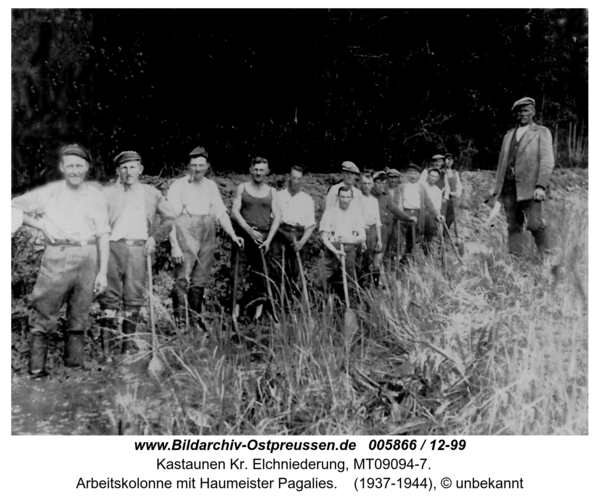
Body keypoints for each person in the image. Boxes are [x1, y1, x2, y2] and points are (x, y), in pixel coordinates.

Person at [11, 144, 110, 376]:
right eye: (70, 166)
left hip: (88, 257)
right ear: (61, 167)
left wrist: (102, 271)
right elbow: (12, 206)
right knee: (45, 315)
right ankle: (37, 373)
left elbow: (103, 233)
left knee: (79, 316)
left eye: (79, 166)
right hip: (57, 257)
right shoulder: (49, 192)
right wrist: (40, 225)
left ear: (86, 167)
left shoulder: (96, 196)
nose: (75, 171)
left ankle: (73, 368)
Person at [98, 151, 175, 353]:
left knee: (133, 299)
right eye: (124, 167)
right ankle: (106, 352)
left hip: (138, 250)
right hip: (112, 249)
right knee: (109, 298)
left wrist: (154, 237)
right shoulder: (107, 193)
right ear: (117, 171)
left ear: (140, 169)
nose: (128, 171)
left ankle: (126, 349)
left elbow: (169, 218)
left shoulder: (151, 193)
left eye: (133, 167)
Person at [168, 147, 243, 328]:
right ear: (188, 166)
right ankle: (180, 323)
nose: (197, 169)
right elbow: (169, 218)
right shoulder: (178, 186)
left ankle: (195, 320)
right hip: (186, 233)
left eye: (201, 165)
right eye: (194, 165)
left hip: (207, 234)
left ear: (207, 166)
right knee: (182, 278)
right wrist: (174, 245)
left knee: (200, 280)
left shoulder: (210, 186)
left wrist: (233, 235)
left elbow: (221, 213)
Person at [489, 97, 555, 256]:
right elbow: (501, 165)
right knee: (513, 225)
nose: (522, 114)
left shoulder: (541, 132)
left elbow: (547, 161)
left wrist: (541, 186)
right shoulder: (508, 135)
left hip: (531, 187)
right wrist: (496, 189)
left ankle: (547, 255)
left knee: (534, 223)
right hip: (509, 188)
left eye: (525, 111)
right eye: (519, 112)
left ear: (533, 112)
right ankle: (515, 259)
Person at [231, 156, 281, 320]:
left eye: (262, 170)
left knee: (262, 275)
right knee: (238, 273)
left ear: (267, 172)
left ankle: (258, 315)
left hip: (264, 238)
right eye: (256, 169)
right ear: (251, 170)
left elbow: (278, 217)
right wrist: (248, 230)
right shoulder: (242, 188)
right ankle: (235, 313)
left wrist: (269, 239)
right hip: (244, 236)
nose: (259, 173)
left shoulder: (271, 192)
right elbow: (235, 212)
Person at [271, 165, 316, 300]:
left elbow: (310, 225)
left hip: (298, 236)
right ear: (288, 177)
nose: (295, 181)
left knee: (294, 271)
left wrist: (302, 242)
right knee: (277, 269)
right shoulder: (278, 196)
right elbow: (273, 219)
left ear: (302, 180)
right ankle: (276, 304)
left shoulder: (307, 199)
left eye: (298, 179)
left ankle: (290, 303)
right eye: (293, 177)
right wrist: (281, 233)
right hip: (280, 233)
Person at [319, 185, 366, 301]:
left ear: (351, 198)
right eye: (342, 197)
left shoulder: (356, 214)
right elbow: (324, 237)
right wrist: (335, 251)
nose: (345, 200)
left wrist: (348, 240)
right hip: (331, 251)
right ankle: (323, 307)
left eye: (347, 197)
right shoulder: (330, 213)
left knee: (348, 283)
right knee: (321, 280)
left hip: (348, 251)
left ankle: (345, 308)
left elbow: (362, 236)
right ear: (338, 197)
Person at [372, 171, 416, 283]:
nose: (381, 186)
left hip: (384, 229)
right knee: (371, 256)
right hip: (371, 229)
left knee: (382, 254)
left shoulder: (386, 196)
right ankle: (370, 281)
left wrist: (407, 218)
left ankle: (378, 281)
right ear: (374, 183)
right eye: (378, 183)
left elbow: (394, 208)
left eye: (383, 183)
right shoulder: (369, 195)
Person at [398, 163, 444, 259]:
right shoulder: (402, 187)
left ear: (419, 175)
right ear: (407, 174)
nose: (413, 176)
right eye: (411, 173)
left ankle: (407, 261)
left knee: (413, 240)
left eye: (415, 174)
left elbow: (429, 203)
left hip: (417, 215)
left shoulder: (421, 188)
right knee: (400, 239)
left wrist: (437, 214)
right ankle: (396, 260)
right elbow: (397, 202)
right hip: (403, 214)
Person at [355, 173, 382, 288]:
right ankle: (358, 287)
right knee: (359, 261)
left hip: (372, 232)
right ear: (360, 184)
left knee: (369, 260)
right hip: (361, 231)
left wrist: (379, 239)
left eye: (369, 183)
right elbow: (356, 220)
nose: (366, 186)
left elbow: (377, 221)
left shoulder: (374, 201)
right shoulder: (357, 199)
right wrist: (361, 239)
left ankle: (368, 287)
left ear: (372, 185)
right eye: (364, 183)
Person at [421, 166, 444, 253]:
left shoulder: (438, 191)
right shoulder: (421, 186)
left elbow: (437, 208)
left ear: (438, 178)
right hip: (420, 212)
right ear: (428, 176)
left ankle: (426, 253)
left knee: (430, 235)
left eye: (435, 176)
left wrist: (439, 219)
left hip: (431, 215)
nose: (433, 178)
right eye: (432, 175)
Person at [443, 153, 463, 230]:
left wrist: (457, 193)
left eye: (451, 160)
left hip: (453, 197)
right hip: (444, 196)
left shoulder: (455, 172)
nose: (449, 162)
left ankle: (446, 231)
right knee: (443, 214)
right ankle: (440, 232)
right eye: (447, 160)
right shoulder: (441, 172)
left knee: (451, 215)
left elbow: (458, 185)